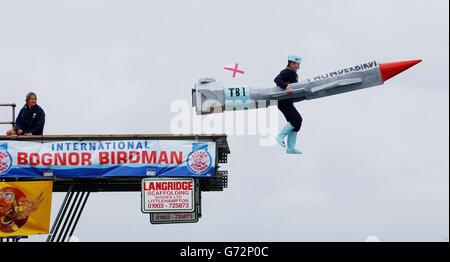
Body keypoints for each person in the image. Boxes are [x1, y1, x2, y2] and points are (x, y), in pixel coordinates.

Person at [274, 55, 303, 154]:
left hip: (288, 102)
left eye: (299, 64)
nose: (298, 66)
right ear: (291, 63)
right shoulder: (287, 71)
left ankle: (290, 148)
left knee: (296, 124)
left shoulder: (294, 74)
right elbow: (277, 79)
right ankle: (280, 136)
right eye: (296, 64)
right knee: (297, 120)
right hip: (283, 102)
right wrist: (287, 87)